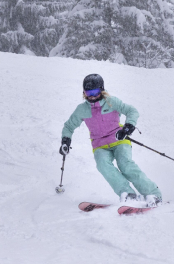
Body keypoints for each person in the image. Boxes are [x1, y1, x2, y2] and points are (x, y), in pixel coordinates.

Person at [61, 74, 162, 206]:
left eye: (95, 92)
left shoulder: (112, 102)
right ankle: (128, 194)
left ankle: (153, 194)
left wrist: (128, 126)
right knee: (103, 165)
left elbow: (132, 111)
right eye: (88, 93)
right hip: (99, 145)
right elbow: (69, 126)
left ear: (101, 90)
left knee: (125, 165)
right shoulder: (82, 110)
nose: (91, 96)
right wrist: (65, 141)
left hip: (119, 139)